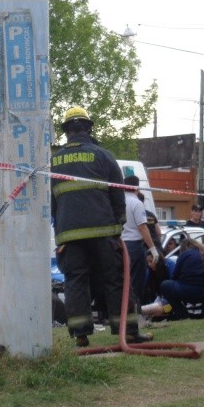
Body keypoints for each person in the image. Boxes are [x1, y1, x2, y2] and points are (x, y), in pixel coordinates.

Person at [50, 106, 153, 346]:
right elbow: (118, 196)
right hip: (104, 233)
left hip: (69, 235)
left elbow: (51, 200)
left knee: (75, 281)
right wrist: (119, 225)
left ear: (66, 131)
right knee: (114, 280)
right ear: (88, 128)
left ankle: (80, 335)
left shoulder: (54, 161)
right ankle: (127, 333)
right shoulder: (103, 156)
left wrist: (61, 230)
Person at [146, 238, 204, 319]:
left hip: (189, 291)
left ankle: (183, 315)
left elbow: (174, 277)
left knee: (165, 285)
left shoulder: (184, 255)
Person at [122, 175, 161, 309]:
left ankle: (123, 313)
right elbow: (142, 227)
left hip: (119, 245)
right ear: (136, 188)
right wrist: (153, 248)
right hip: (134, 245)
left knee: (123, 281)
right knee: (135, 281)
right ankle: (135, 313)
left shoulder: (118, 201)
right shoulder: (136, 203)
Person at [139, 191, 166, 305]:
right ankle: (160, 298)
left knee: (146, 277)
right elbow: (158, 232)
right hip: (157, 248)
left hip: (146, 248)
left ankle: (146, 302)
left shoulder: (137, 213)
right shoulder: (151, 214)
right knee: (160, 274)